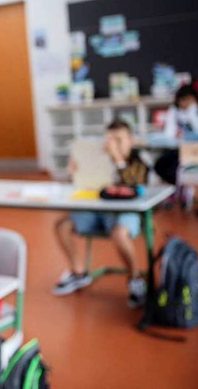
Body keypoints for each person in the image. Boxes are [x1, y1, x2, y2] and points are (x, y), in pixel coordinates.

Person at [53, 120, 150, 308]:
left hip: (127, 211)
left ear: (130, 140)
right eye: (109, 139)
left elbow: (136, 184)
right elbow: (84, 185)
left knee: (119, 234)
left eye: (118, 140)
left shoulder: (140, 158)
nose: (112, 144)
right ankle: (78, 272)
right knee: (62, 225)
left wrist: (118, 160)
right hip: (97, 209)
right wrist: (73, 172)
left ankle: (135, 278)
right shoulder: (98, 156)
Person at [154, 85, 198, 185]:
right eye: (183, 100)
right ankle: (176, 189)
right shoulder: (175, 111)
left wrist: (192, 112)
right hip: (180, 148)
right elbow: (169, 132)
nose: (185, 103)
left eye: (189, 100)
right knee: (161, 164)